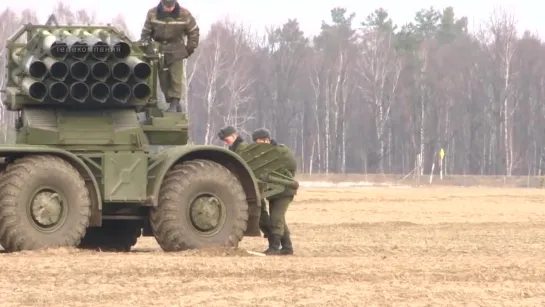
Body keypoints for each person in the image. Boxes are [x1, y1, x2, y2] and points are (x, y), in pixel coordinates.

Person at [140, 0, 199, 113]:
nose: (169, 8)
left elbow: (194, 32)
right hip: (159, 49)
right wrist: (148, 48)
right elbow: (145, 34)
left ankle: (175, 102)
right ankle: (173, 103)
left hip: (177, 49)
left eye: (171, 6)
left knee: (176, 77)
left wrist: (188, 49)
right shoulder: (152, 13)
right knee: (164, 79)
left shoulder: (184, 14)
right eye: (167, 6)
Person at [217, 126, 273, 241]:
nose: (226, 142)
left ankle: (275, 240)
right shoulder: (235, 148)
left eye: (227, 139)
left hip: (252, 185)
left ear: (234, 136)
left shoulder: (242, 148)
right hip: (248, 185)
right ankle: (274, 240)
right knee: (261, 215)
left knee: (261, 215)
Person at [252, 128, 297, 256]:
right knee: (279, 219)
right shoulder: (264, 155)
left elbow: (291, 165)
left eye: (259, 141)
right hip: (274, 192)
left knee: (276, 218)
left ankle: (275, 247)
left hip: (285, 191)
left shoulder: (281, 151)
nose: (257, 144)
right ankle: (287, 247)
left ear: (266, 140)